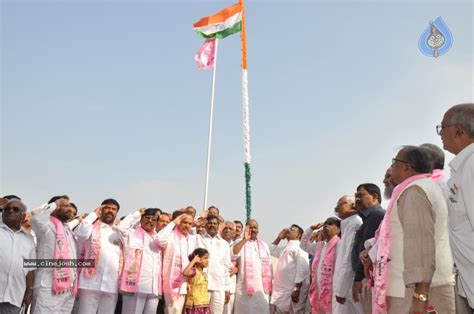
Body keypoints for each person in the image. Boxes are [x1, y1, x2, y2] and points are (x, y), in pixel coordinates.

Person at [371, 146, 455, 313]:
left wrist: (420, 298)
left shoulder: (415, 191)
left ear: (407, 166)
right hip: (412, 290)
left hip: (416, 293)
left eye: (394, 162)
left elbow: (420, 246)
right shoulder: (416, 188)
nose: (391, 167)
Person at [438, 103, 474, 312]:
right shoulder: (460, 168)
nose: (440, 133)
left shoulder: (471, 164)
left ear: (459, 130)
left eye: (442, 127)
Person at [30, 195, 78, 314]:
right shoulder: (46, 226)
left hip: (68, 289)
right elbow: (36, 219)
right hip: (48, 287)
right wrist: (54, 203)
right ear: (55, 208)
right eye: (65, 205)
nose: (70, 209)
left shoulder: (67, 229)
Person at [74, 199, 122, 314]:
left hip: (111, 284)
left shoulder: (119, 231)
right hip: (90, 283)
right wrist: (93, 215)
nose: (110, 211)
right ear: (101, 210)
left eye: (113, 209)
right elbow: (79, 234)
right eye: (107, 208)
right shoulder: (91, 227)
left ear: (116, 213)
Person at [116, 208, 163, 314]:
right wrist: (137, 213)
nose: (150, 221)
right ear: (141, 219)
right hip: (136, 286)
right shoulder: (131, 233)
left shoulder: (158, 238)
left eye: (153, 219)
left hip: (153, 287)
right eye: (147, 218)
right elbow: (120, 227)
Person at [350, 183, 384, 313]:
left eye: (361, 195)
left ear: (375, 197)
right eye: (356, 196)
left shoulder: (376, 215)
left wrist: (358, 278)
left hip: (367, 278)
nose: (357, 200)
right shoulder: (369, 217)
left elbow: (366, 252)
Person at [0, 199, 36, 314]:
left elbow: (30, 268)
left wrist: (30, 291)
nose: (11, 211)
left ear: (23, 215)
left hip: (14, 296)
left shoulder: (29, 239)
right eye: (7, 209)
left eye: (15, 209)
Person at [157, 211, 196, 314]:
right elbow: (159, 239)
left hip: (187, 284)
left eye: (189, 224)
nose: (187, 225)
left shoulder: (192, 240)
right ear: (179, 222)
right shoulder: (170, 236)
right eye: (184, 222)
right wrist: (173, 223)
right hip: (172, 284)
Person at [301, 217, 340, 314]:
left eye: (331, 224)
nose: (326, 225)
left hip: (333, 293)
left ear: (338, 229)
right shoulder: (320, 246)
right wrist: (311, 229)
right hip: (318, 292)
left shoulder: (340, 244)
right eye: (325, 224)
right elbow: (303, 245)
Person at [232, 219, 272, 314]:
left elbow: (270, 267)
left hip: (261, 290)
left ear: (258, 230)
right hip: (244, 289)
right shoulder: (239, 242)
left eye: (255, 227)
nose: (253, 230)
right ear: (246, 229)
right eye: (250, 227)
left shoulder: (264, 245)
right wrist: (244, 240)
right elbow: (233, 254)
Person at [333, 195, 364, 314]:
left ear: (353, 206)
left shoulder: (355, 224)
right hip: (342, 285)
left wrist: (341, 290)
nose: (337, 207)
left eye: (341, 203)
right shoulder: (347, 225)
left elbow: (348, 260)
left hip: (348, 287)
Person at [196, 215, 233, 314]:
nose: (212, 225)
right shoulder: (198, 239)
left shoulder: (224, 244)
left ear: (218, 225)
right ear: (206, 225)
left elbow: (227, 267)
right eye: (210, 223)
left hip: (218, 286)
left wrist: (227, 288)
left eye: (215, 223)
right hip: (201, 286)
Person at [270, 224, 309, 314]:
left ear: (298, 235)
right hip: (282, 291)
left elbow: (303, 269)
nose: (288, 230)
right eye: (289, 228)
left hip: (293, 291)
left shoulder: (300, 247)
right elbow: (271, 250)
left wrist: (296, 289)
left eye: (292, 229)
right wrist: (279, 237)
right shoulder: (286, 248)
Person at [183, 248, 211, 314]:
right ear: (198, 259)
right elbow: (185, 273)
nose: (207, 260)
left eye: (208, 258)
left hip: (204, 304)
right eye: (205, 258)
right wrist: (194, 261)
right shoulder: (194, 271)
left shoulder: (204, 273)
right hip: (194, 305)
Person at [220, 221, 238, 314]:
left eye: (230, 229)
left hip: (230, 286)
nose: (227, 230)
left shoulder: (237, 245)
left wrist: (237, 269)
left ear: (234, 233)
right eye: (225, 228)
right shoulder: (216, 243)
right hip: (216, 285)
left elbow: (242, 262)